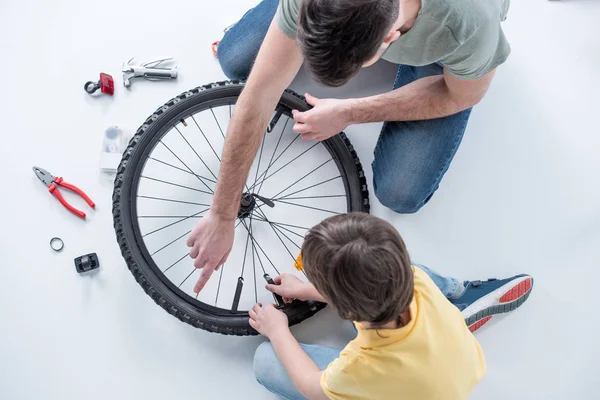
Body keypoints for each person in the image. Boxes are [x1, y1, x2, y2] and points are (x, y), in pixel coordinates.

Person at [187, 0, 513, 295]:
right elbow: (259, 96)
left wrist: (349, 111)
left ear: (388, 41)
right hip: (367, 21)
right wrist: (222, 212)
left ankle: (418, 63)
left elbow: (460, 95)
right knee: (236, 61)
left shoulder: (467, 22)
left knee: (401, 192)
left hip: (441, 47)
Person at [249, 213, 532, 399]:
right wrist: (304, 290)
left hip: (407, 387)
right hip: (465, 368)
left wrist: (278, 331)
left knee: (265, 360)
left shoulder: (359, 365)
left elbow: (311, 386)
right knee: (395, 271)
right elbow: (361, 290)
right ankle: (458, 295)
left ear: (344, 310)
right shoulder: (416, 278)